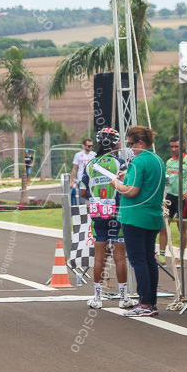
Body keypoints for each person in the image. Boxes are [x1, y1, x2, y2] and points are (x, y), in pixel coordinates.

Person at [111, 125, 166, 317]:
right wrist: (126, 178)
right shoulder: (158, 160)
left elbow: (132, 190)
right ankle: (150, 302)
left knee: (138, 260)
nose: (131, 148)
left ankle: (144, 303)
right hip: (152, 215)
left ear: (140, 143)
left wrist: (116, 184)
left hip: (135, 215)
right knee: (149, 259)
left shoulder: (138, 162)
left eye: (132, 144)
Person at [80, 128, 132, 310]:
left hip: (97, 213)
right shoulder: (121, 163)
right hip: (117, 213)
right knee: (119, 258)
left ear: (99, 143)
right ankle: (124, 298)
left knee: (99, 258)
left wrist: (95, 200)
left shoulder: (89, 164)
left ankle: (97, 298)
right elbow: (126, 185)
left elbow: (82, 191)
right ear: (116, 144)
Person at [160, 137, 187, 257]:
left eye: (176, 146)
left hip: (183, 198)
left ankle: (180, 257)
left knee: (181, 227)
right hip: (169, 197)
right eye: (171, 146)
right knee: (163, 225)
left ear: (182, 146)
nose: (173, 149)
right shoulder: (169, 162)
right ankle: (162, 255)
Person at [71, 138, 95, 207]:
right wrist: (71, 181)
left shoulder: (94, 154)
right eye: (89, 146)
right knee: (82, 199)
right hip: (82, 179)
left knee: (92, 198)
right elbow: (74, 168)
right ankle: (81, 215)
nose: (91, 147)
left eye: (91, 146)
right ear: (84, 146)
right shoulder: (78, 155)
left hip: (92, 179)